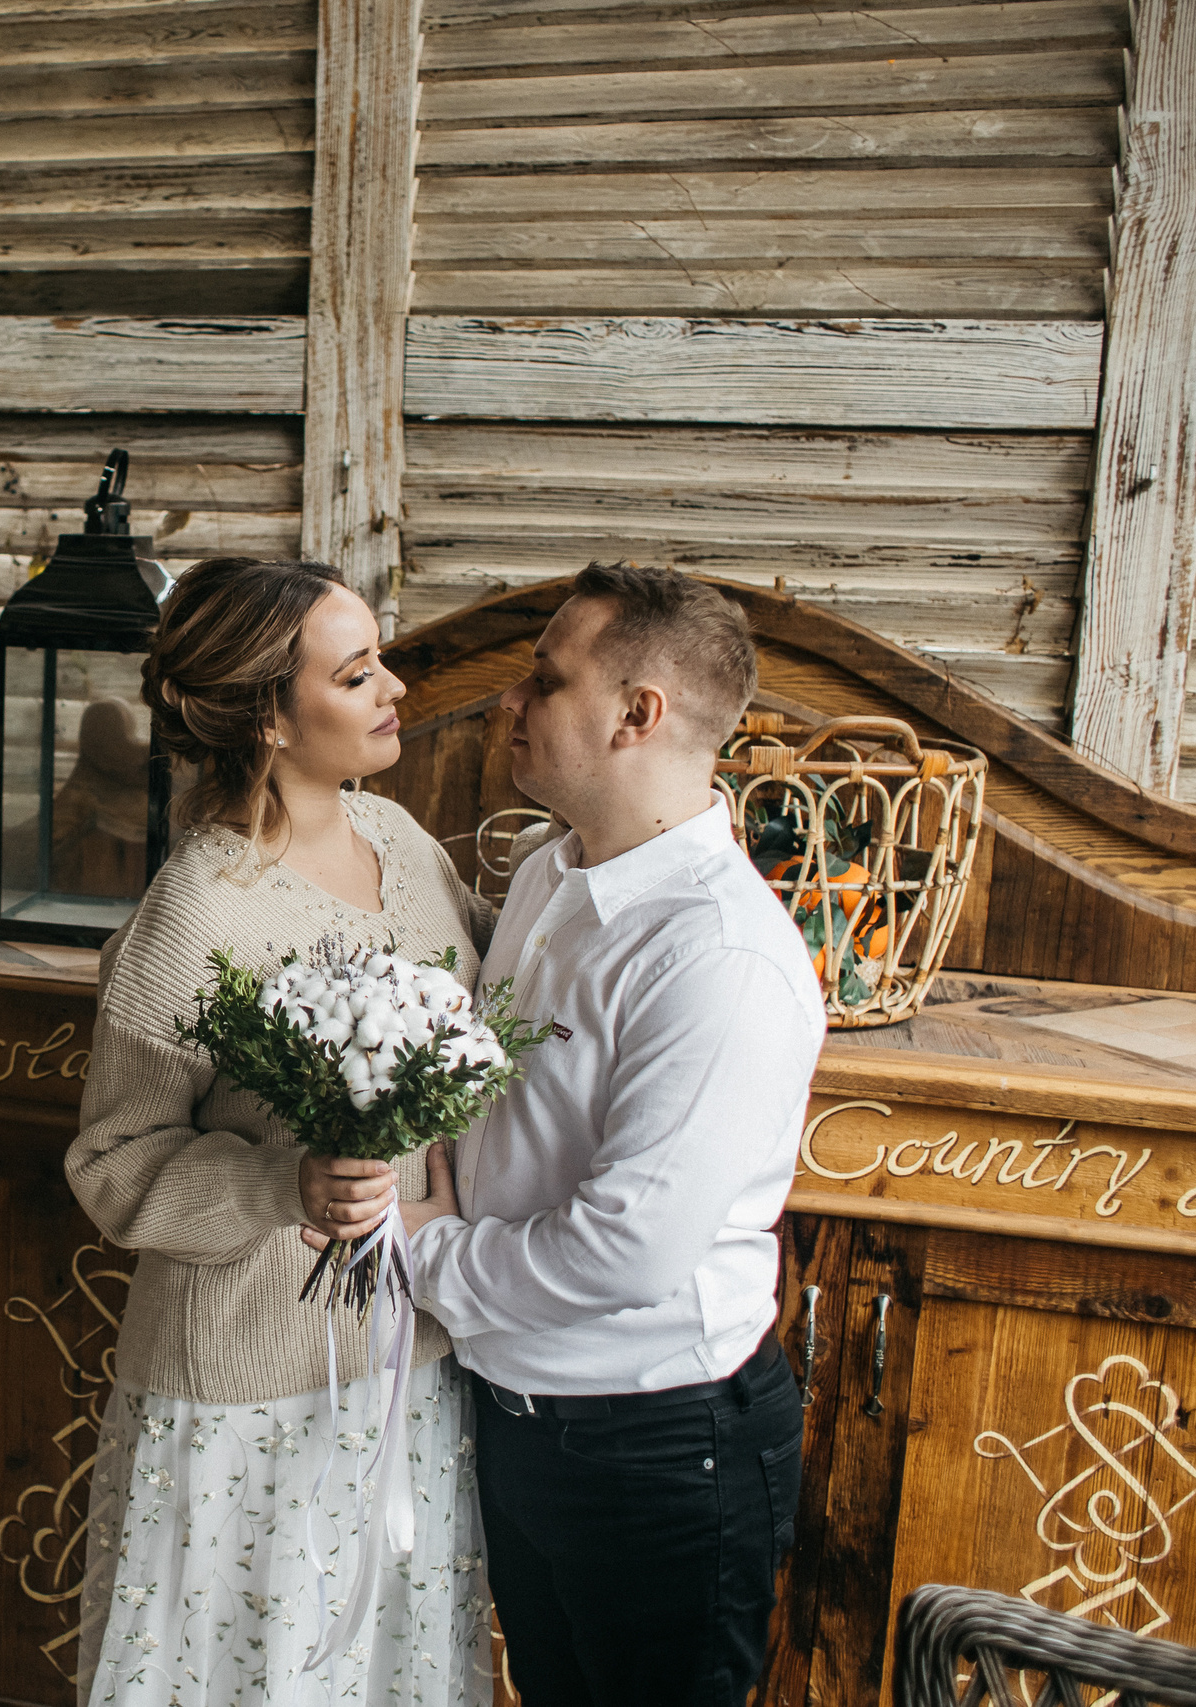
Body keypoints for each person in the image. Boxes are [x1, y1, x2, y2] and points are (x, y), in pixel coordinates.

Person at [66, 557, 497, 1706]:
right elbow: (112, 1164)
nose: (392, 686)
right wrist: (281, 1187)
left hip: (408, 1364)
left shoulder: (401, 839)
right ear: (266, 712)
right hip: (245, 1392)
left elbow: (498, 996)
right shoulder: (198, 910)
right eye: (356, 675)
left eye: (378, 660)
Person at [403, 562, 825, 1707]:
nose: (508, 704)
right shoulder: (551, 874)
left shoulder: (717, 959)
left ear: (636, 714)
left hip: (656, 1448)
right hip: (520, 1415)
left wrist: (419, 1249)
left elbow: (625, 1251)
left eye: (544, 680)